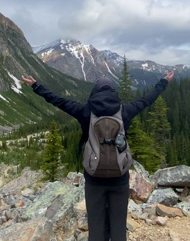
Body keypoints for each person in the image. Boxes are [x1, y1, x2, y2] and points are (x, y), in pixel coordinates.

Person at [21, 71, 174, 241]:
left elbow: (59, 101)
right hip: (120, 177)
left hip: (94, 178)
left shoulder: (85, 112)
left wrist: (36, 86)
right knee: (118, 225)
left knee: (95, 225)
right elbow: (147, 99)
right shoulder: (125, 111)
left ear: (95, 92)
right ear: (113, 92)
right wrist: (163, 82)